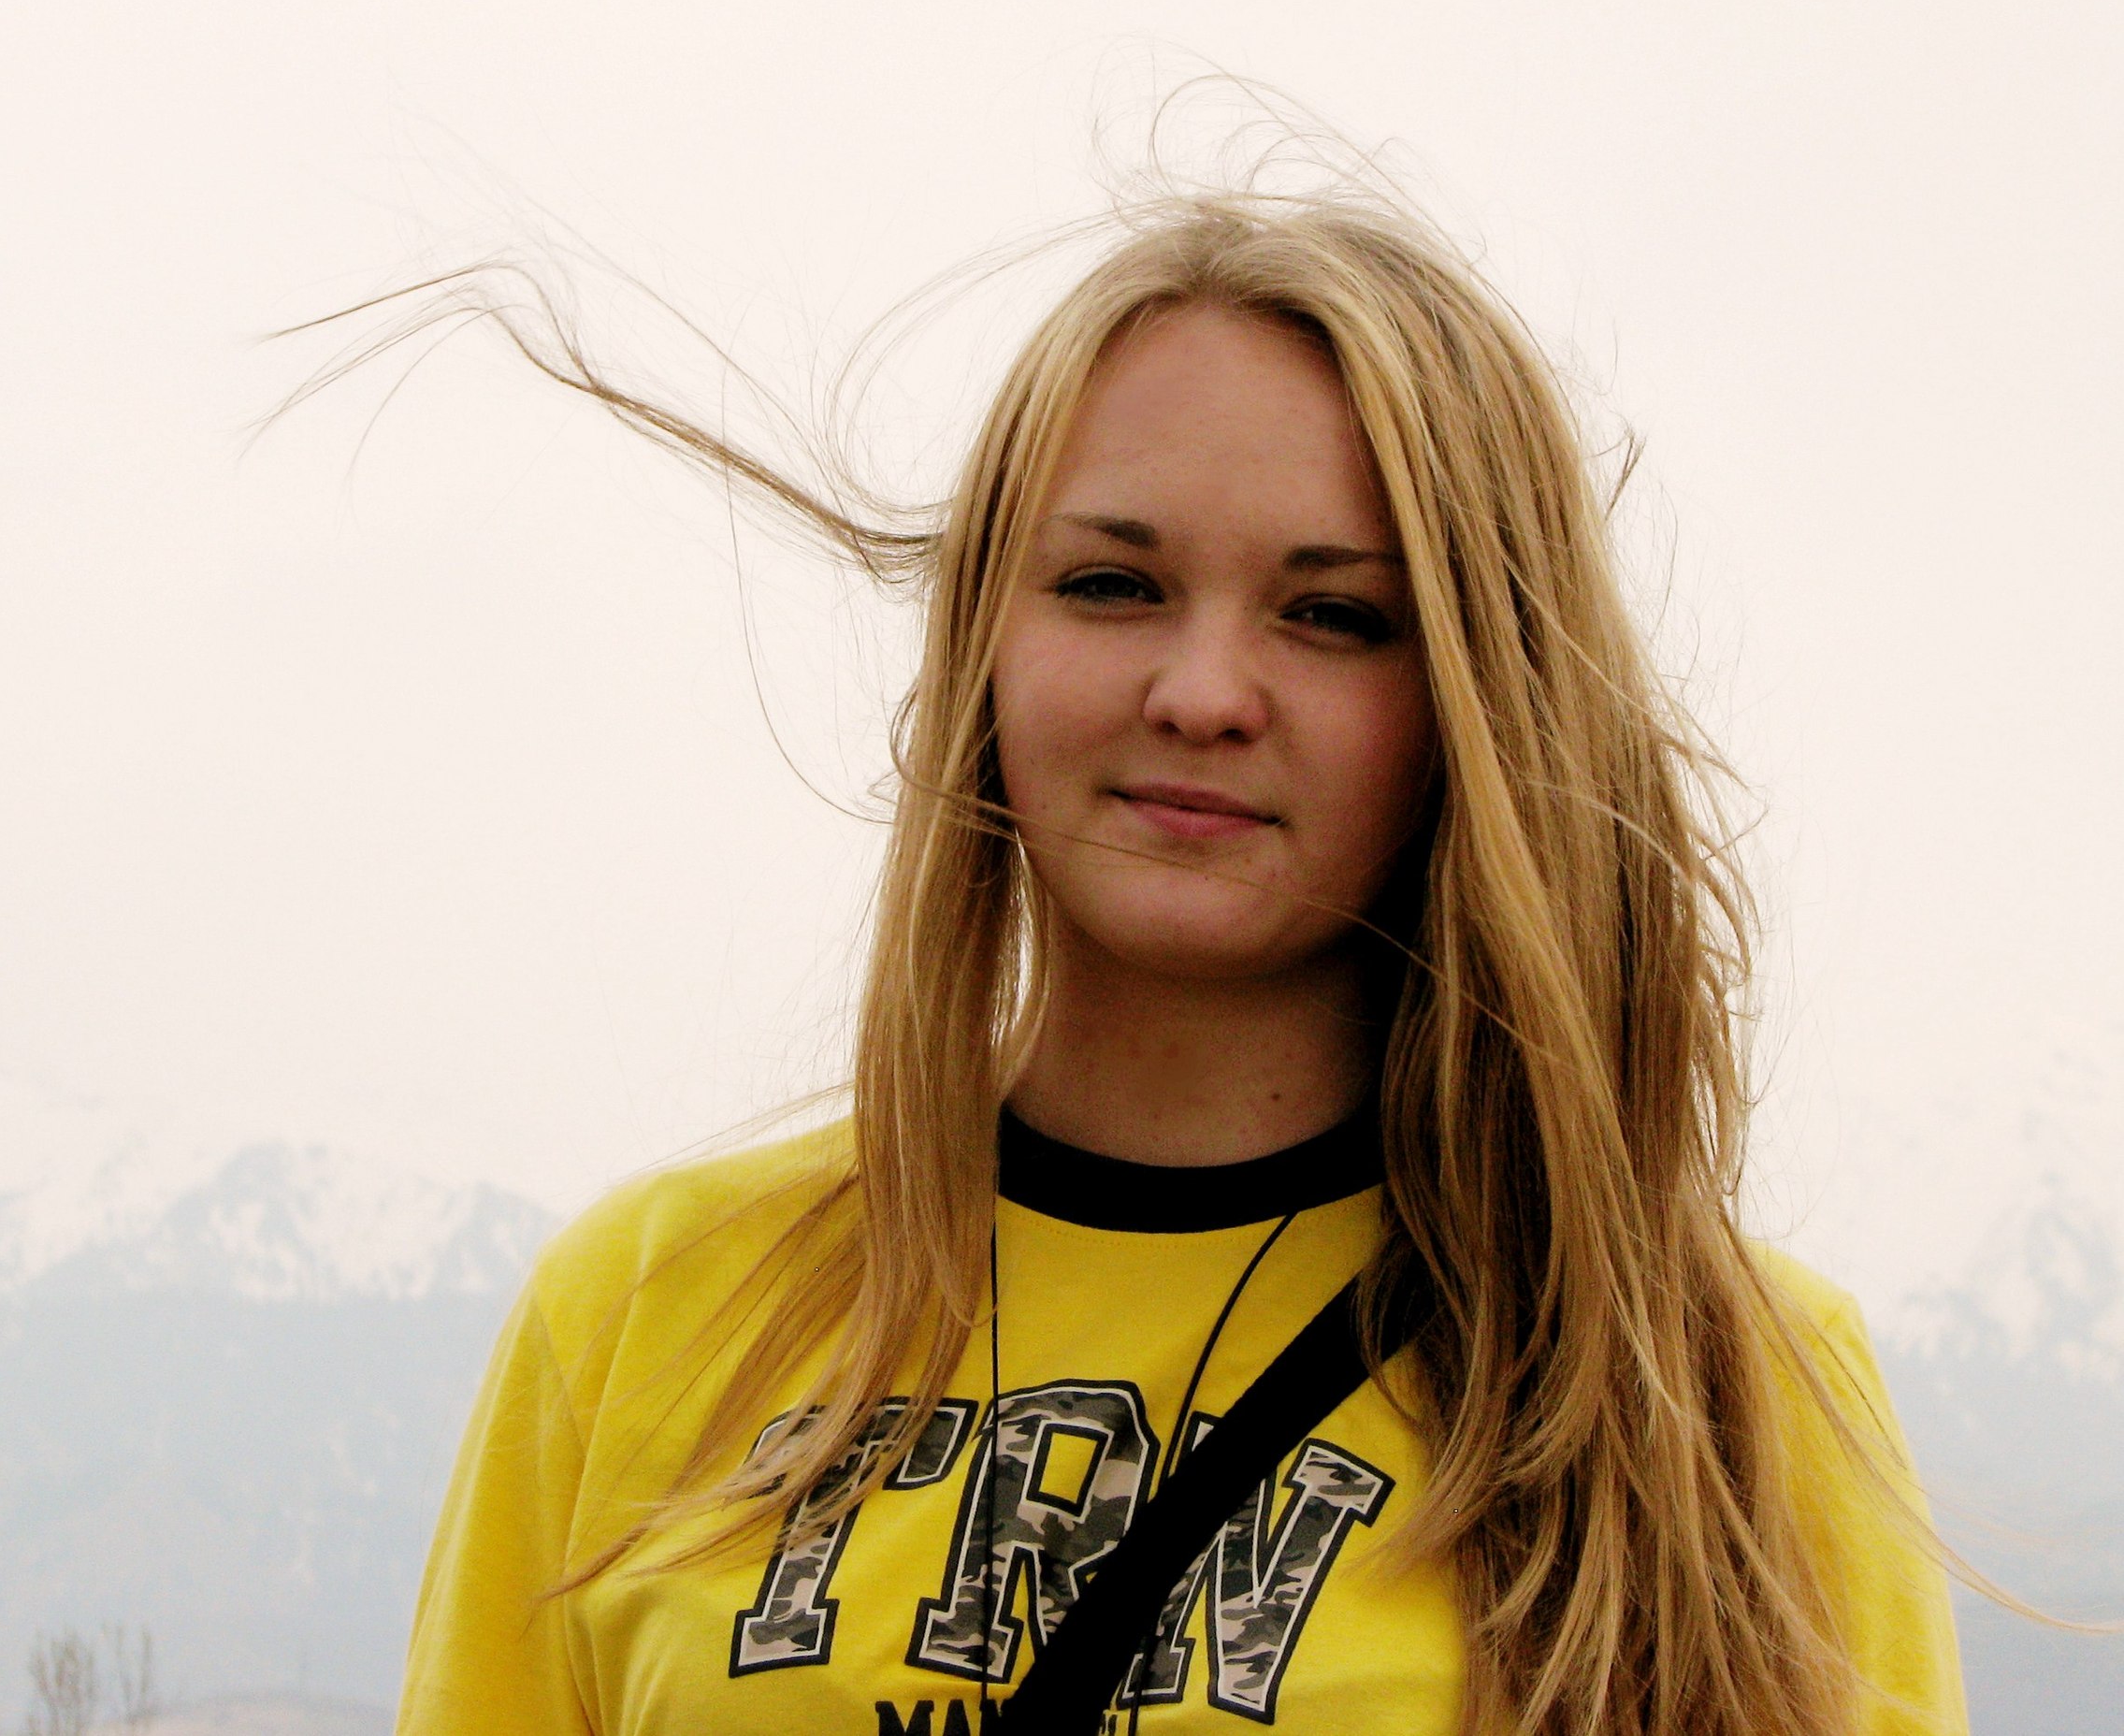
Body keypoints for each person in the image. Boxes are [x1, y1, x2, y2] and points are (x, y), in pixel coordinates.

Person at [381, 178, 1967, 1734]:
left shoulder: (1712, 1388)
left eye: (1333, 615)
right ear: (982, 645)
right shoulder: (648, 1308)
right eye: (1111, 586)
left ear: (1484, 700)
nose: (1203, 693)